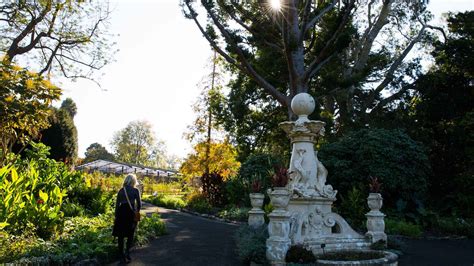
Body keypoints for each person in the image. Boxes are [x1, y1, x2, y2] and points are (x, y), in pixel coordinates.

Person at [112, 174, 141, 263]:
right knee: (130, 234)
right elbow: (139, 204)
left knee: (120, 235)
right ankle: (127, 252)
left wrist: (116, 216)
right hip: (131, 213)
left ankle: (121, 255)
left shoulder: (121, 191)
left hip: (121, 213)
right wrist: (136, 212)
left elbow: (117, 205)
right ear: (133, 181)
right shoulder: (136, 190)